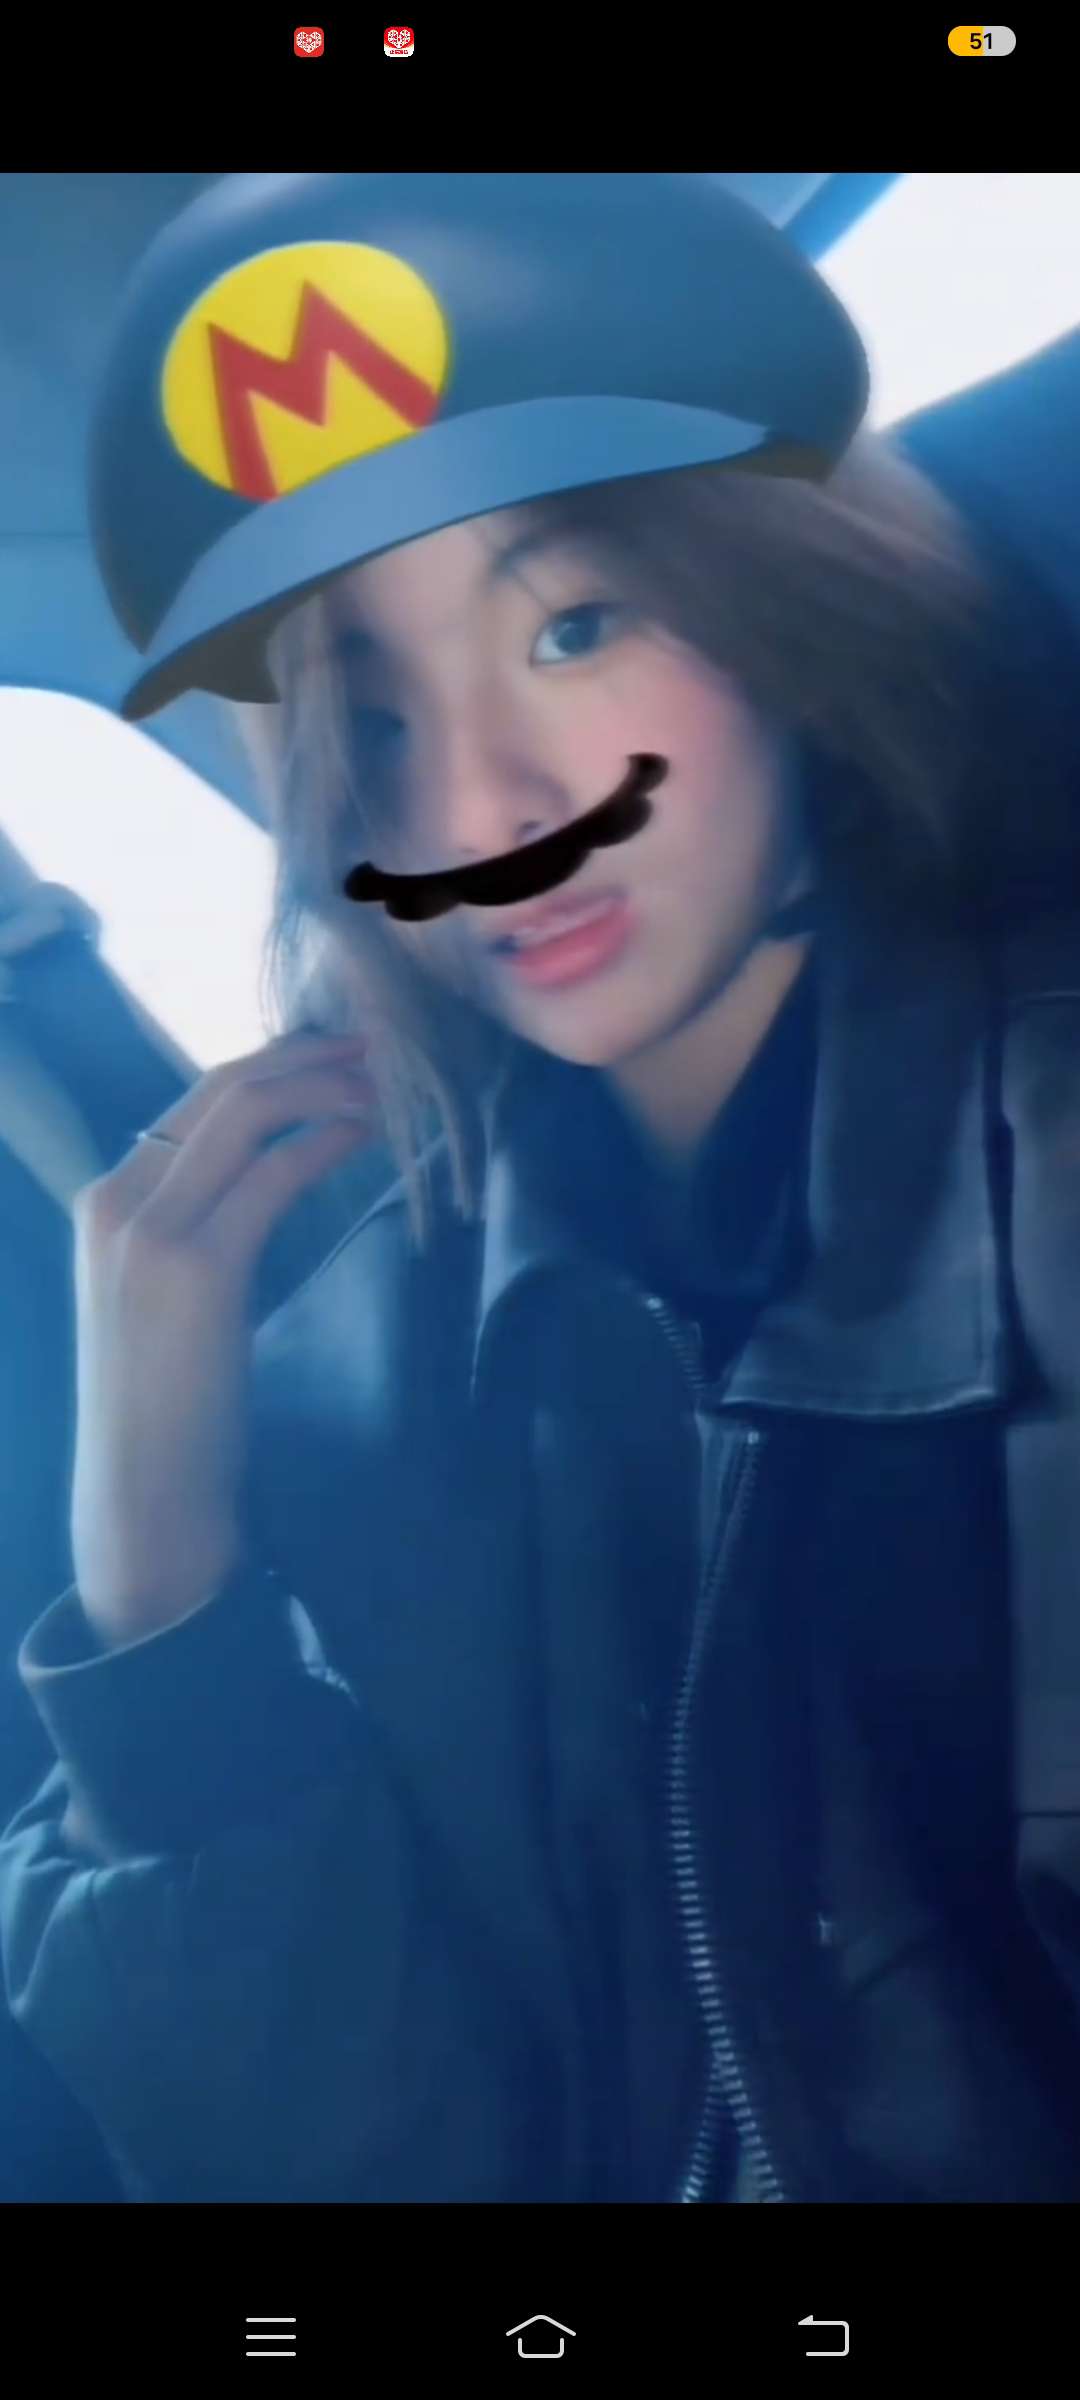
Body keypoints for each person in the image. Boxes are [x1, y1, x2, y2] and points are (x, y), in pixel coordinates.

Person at [2, 172, 1080, 2204]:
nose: (478, 807)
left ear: (795, 600)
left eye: (574, 625)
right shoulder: (367, 1350)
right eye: (371, 710)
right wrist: (157, 1573)